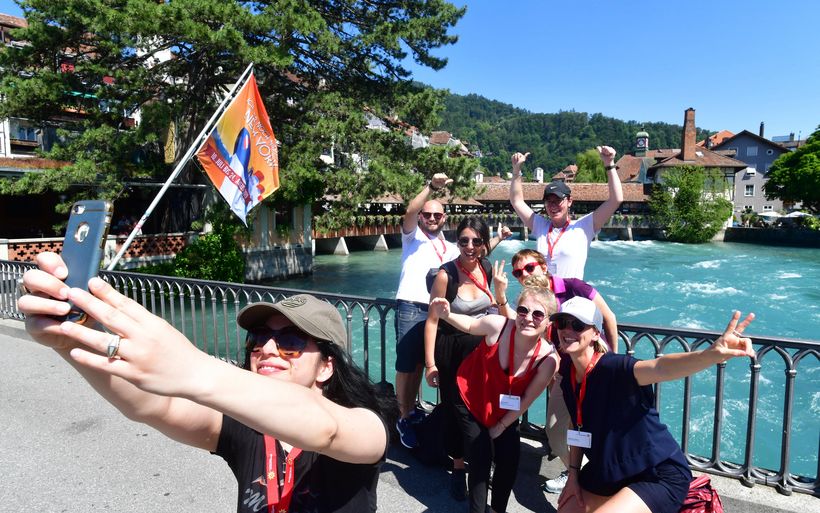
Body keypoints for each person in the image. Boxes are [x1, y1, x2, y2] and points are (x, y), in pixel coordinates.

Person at [18, 252, 391, 513]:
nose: (267, 348)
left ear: (326, 367)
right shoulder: (249, 429)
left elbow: (326, 430)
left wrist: (191, 367)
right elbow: (155, 405)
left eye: (291, 341)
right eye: (259, 338)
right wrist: (69, 339)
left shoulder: (365, 424)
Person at [552, 297, 755, 513]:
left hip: (655, 473)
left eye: (577, 325)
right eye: (562, 323)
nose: (568, 330)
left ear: (595, 333)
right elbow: (577, 427)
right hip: (609, 472)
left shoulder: (614, 367)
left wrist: (710, 355)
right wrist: (573, 474)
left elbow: (660, 367)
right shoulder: (569, 375)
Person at [492, 248, 618, 494]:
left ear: (543, 266)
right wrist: (500, 294)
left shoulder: (574, 287)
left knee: (602, 429)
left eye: (529, 268)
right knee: (555, 430)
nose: (524, 275)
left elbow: (608, 317)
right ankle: (578, 473)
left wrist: (613, 358)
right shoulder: (533, 300)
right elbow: (516, 324)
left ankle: (606, 483)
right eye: (518, 273)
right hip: (564, 374)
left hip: (596, 369)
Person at [429, 276, 559, 513]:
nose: (528, 318)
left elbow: (527, 399)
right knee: (480, 456)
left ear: (548, 321)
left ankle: (498, 510)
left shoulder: (548, 360)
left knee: (509, 460)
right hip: (469, 397)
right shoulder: (499, 326)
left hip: (504, 409)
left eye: (538, 314)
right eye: (523, 310)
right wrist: (446, 315)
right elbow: (470, 325)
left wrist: (501, 425)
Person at [424, 216, 496, 501]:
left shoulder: (486, 268)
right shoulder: (446, 275)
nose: (469, 246)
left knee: (481, 409)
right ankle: (459, 467)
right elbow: (432, 321)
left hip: (482, 353)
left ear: (484, 243)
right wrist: (430, 364)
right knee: (457, 413)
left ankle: (479, 462)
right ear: (457, 241)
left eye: (476, 241)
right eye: (464, 240)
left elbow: (491, 310)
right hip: (452, 352)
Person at [394, 172, 460, 448]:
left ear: (444, 218)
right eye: (428, 214)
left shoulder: (449, 247)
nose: (432, 218)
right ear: (421, 217)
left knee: (421, 363)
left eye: (437, 215)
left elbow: (472, 257)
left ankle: (411, 409)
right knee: (406, 365)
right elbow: (409, 210)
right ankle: (402, 416)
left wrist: (499, 239)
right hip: (411, 305)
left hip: (436, 311)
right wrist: (431, 187)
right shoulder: (412, 237)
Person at [509, 146, 623, 279]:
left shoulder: (584, 226)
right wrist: (516, 170)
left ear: (569, 201)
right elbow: (517, 201)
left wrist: (609, 164)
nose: (553, 206)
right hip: (544, 292)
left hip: (570, 292)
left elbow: (616, 200)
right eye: (549, 201)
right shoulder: (540, 226)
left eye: (558, 200)